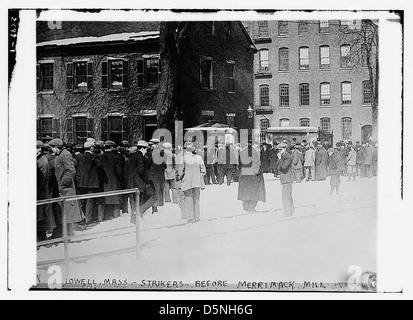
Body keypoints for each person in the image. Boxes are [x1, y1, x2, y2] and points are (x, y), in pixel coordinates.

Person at [48, 138, 84, 237]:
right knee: (63, 213)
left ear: (56, 147)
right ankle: (65, 234)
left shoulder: (65, 154)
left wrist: (62, 184)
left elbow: (71, 171)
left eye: (52, 148)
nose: (51, 150)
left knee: (66, 213)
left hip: (65, 190)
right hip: (62, 190)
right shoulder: (60, 154)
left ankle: (66, 234)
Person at [76, 140, 105, 224]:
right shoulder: (95, 157)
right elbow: (99, 167)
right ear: (91, 148)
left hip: (81, 183)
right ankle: (88, 219)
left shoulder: (79, 157)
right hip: (91, 183)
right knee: (89, 201)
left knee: (81, 201)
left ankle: (80, 218)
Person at [127, 140, 158, 219]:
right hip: (139, 182)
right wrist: (146, 180)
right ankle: (140, 212)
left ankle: (134, 219)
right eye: (146, 149)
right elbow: (141, 170)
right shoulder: (140, 156)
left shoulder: (132, 156)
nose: (146, 151)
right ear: (142, 149)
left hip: (131, 182)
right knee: (153, 196)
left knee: (134, 201)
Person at [177, 142, 206, 223]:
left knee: (188, 199)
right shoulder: (199, 158)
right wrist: (199, 177)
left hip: (187, 182)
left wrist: (179, 178)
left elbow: (180, 172)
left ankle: (190, 217)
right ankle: (197, 216)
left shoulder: (182, 158)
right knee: (196, 199)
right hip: (197, 182)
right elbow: (203, 170)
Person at [238, 142, 266, 213]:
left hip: (244, 175)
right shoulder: (254, 152)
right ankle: (251, 207)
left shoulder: (242, 152)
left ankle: (245, 206)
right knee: (254, 191)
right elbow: (256, 163)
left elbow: (239, 164)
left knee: (245, 190)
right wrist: (257, 172)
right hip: (253, 175)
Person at [37, 141, 56, 241]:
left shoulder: (42, 160)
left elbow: (43, 178)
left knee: (41, 215)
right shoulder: (41, 159)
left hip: (41, 191)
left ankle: (42, 237)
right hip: (42, 190)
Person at [99, 141, 123, 220]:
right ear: (112, 147)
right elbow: (119, 172)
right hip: (114, 182)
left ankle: (100, 219)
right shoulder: (116, 157)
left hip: (103, 182)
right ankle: (116, 219)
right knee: (115, 201)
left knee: (102, 201)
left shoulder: (100, 157)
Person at [147, 138, 166, 214]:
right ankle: (155, 207)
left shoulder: (150, 153)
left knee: (152, 191)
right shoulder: (162, 153)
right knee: (158, 191)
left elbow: (147, 164)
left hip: (152, 175)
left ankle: (153, 208)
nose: (150, 146)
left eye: (151, 145)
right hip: (160, 175)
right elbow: (165, 165)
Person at [277, 143, 295, 217]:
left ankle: (287, 212)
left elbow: (284, 167)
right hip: (285, 178)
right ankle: (290, 211)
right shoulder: (284, 156)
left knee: (286, 196)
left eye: (280, 149)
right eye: (278, 150)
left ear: (284, 149)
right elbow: (278, 168)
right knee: (287, 196)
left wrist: (280, 159)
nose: (279, 151)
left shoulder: (287, 156)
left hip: (287, 178)